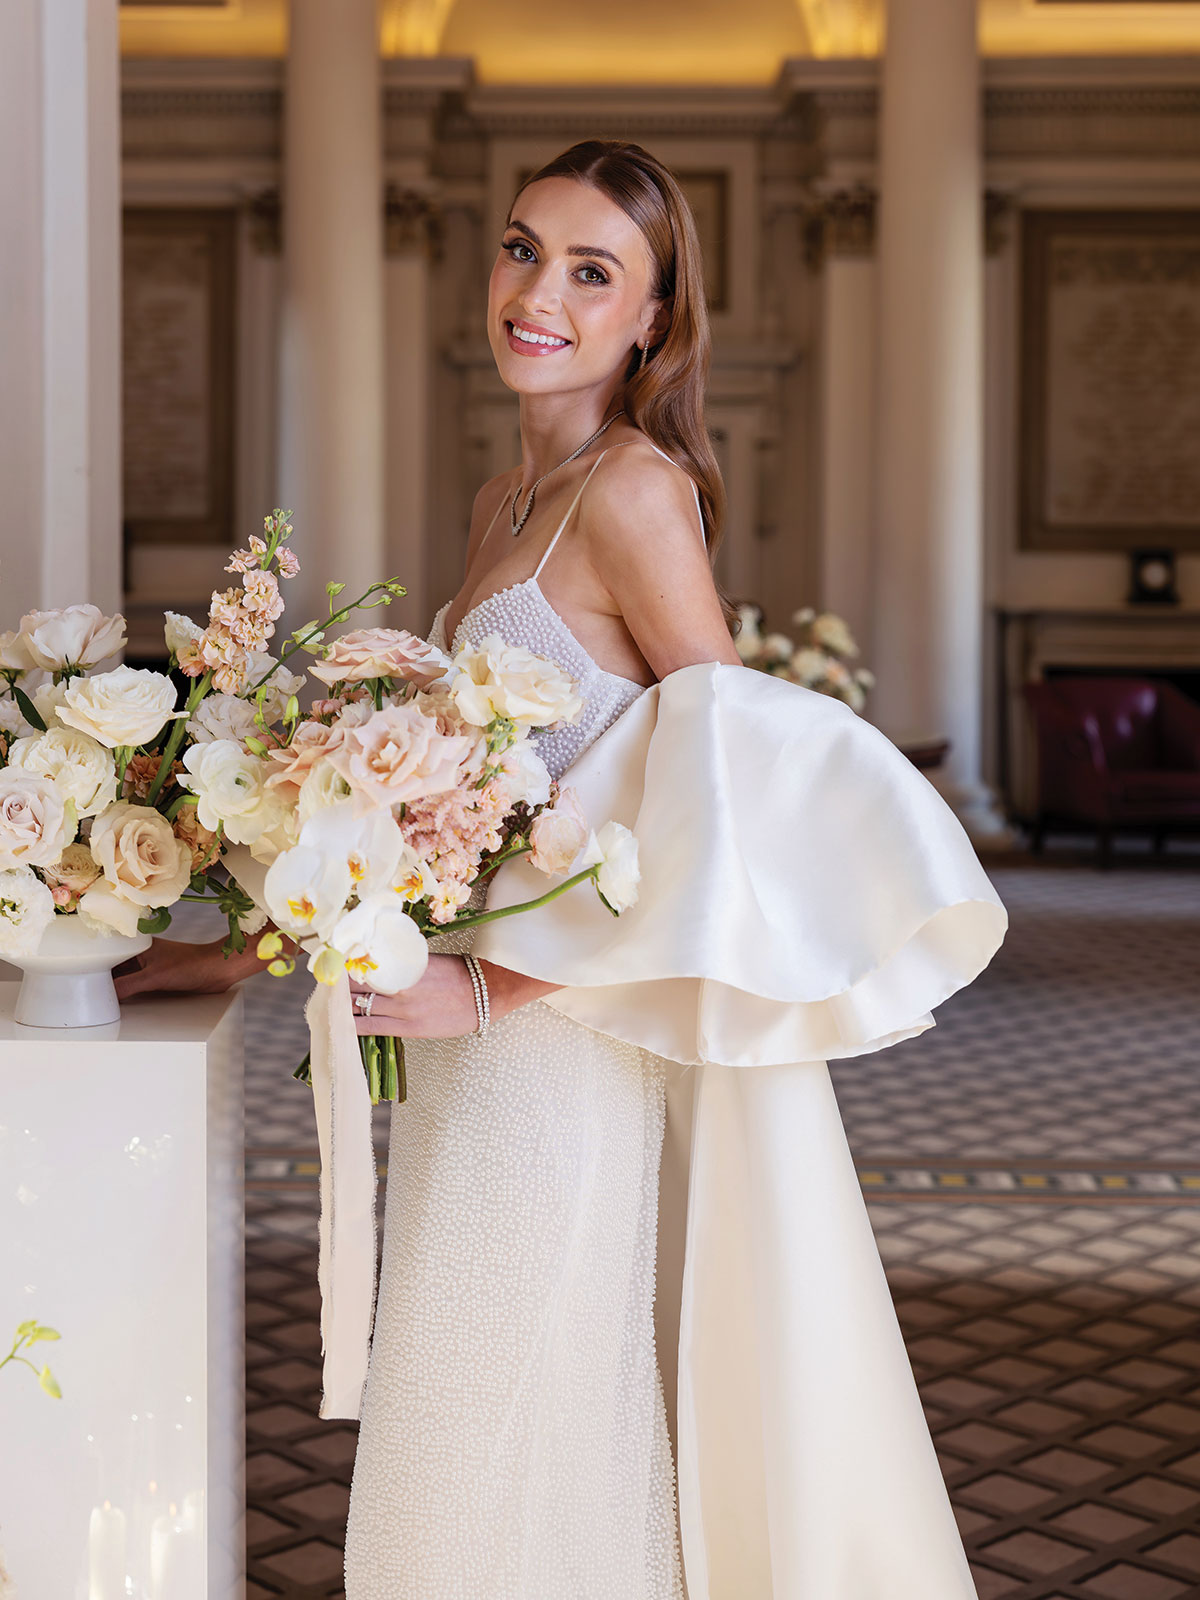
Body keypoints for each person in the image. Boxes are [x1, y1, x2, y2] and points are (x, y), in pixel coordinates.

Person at [122, 141, 1007, 1598]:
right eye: (524, 249)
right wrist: (238, 951)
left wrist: (500, 987)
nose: (540, 293)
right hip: (475, 1051)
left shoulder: (634, 494)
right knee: (468, 1393)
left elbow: (725, 783)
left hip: (558, 1043)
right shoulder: (500, 503)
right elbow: (440, 833)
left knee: (518, 1395)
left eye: (594, 272)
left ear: (653, 318)